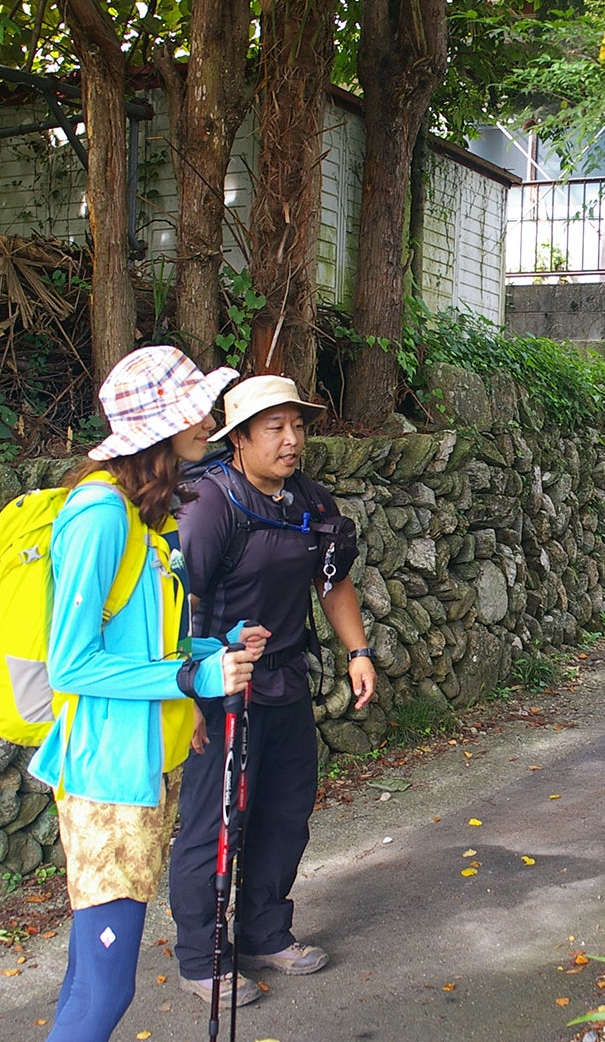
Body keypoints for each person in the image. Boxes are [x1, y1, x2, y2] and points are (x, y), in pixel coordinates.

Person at [30, 346, 266, 1042]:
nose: (209, 420)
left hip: (131, 772)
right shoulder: (100, 515)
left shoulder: (139, 519)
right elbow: (69, 664)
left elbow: (144, 648)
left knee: (90, 980)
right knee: (105, 988)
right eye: (195, 408)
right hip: (105, 778)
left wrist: (216, 647)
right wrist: (188, 679)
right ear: (159, 428)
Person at [168, 375, 377, 1005]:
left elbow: (332, 579)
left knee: (287, 809)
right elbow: (178, 602)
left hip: (285, 678)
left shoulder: (308, 499)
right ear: (238, 440)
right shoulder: (210, 505)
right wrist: (188, 691)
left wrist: (358, 651)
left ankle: (263, 931)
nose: (291, 441)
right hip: (222, 686)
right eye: (274, 429)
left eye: (298, 426)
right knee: (215, 822)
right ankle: (202, 956)